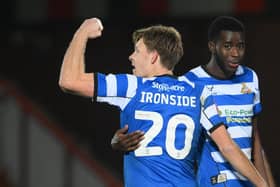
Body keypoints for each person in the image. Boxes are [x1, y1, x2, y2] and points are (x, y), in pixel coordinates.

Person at [58, 17, 268, 187]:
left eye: (138, 50)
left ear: (153, 57)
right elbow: (229, 147)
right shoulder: (197, 92)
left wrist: (82, 32)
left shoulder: (132, 87)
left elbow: (68, 81)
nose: (131, 56)